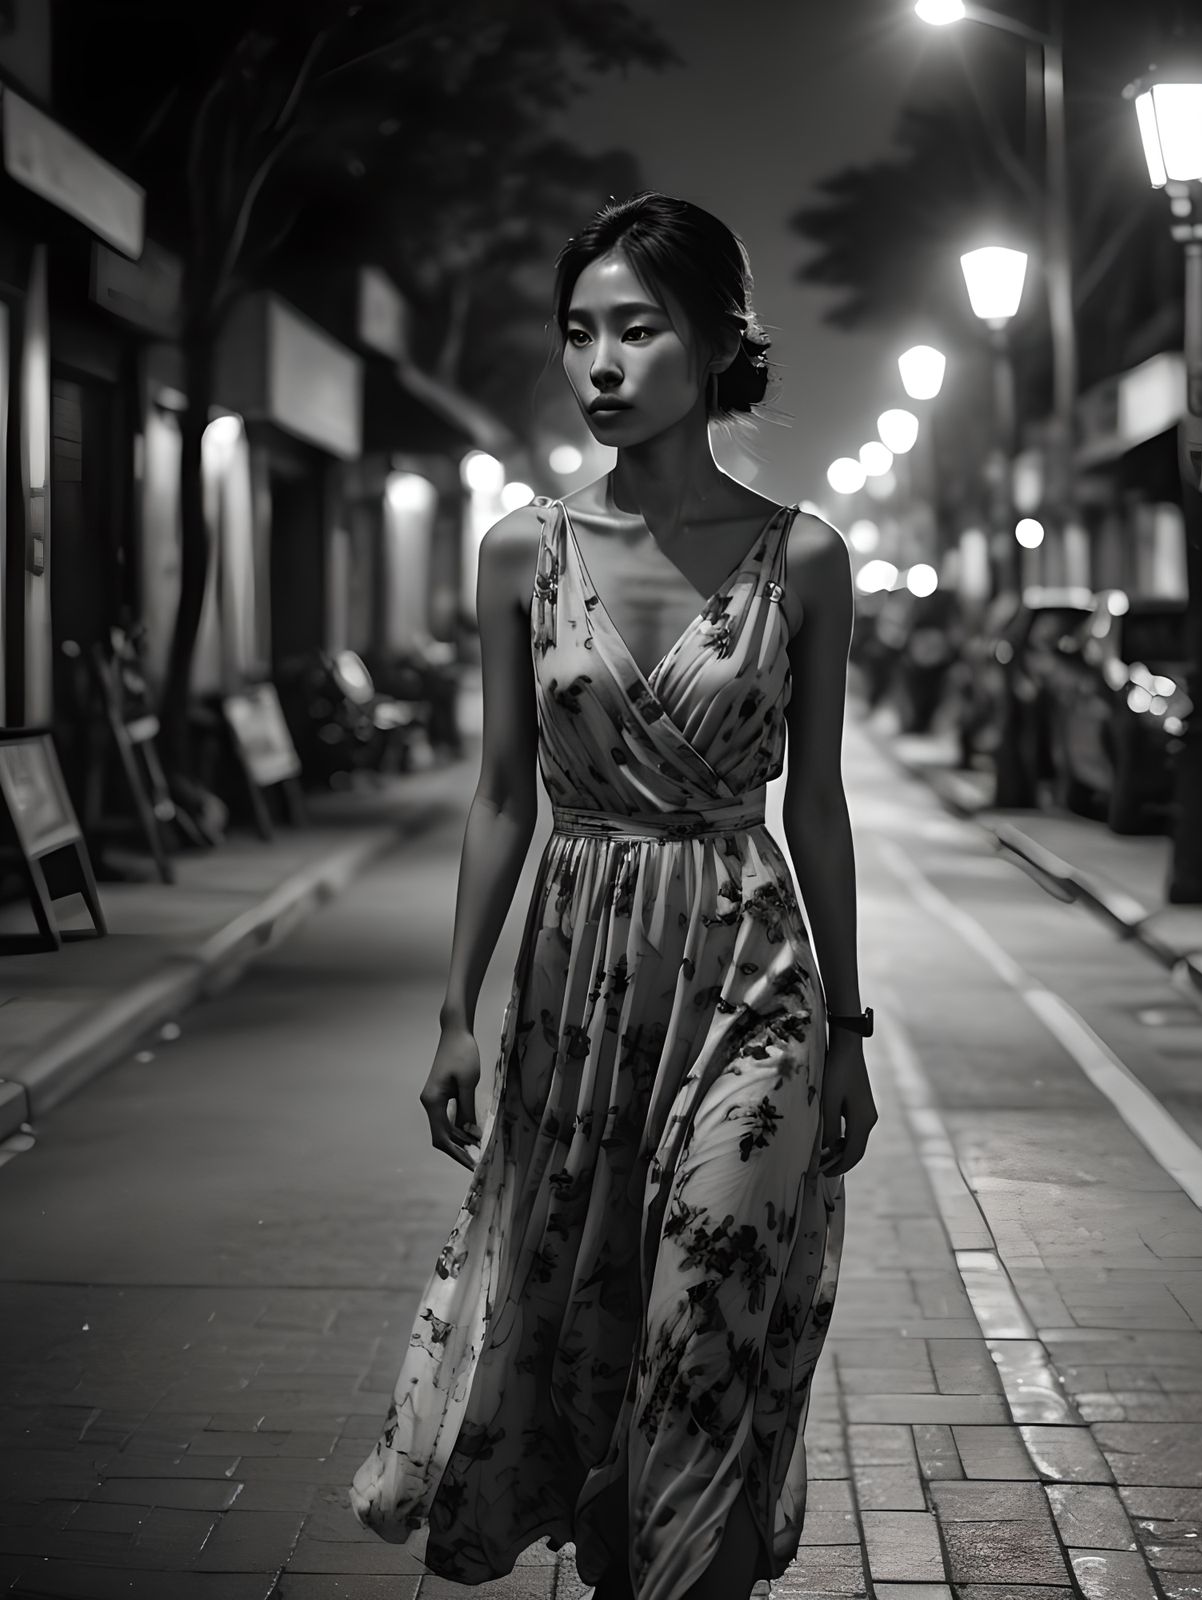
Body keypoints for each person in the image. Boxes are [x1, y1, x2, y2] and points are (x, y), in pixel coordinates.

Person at [350, 191, 877, 1600]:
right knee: (589, 1328)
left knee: (707, 1317)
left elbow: (817, 805)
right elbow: (500, 797)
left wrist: (846, 1032)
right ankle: (623, 1553)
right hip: (579, 981)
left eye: (637, 330)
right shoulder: (521, 553)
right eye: (580, 331)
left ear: (716, 344)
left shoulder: (805, 558)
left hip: (750, 970)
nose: (600, 362)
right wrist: (455, 1014)